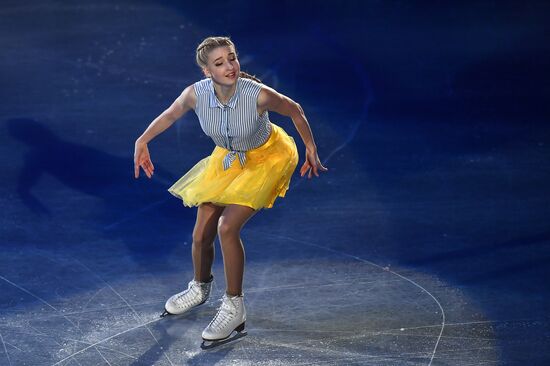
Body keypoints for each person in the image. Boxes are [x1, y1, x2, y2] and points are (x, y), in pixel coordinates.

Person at [134, 36, 327, 344]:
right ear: (206, 72)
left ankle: (235, 307)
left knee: (227, 227)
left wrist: (310, 148)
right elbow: (170, 114)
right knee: (200, 234)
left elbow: (295, 110)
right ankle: (199, 287)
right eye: (219, 63)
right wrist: (142, 141)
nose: (229, 66)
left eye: (232, 58)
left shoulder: (258, 95)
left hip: (267, 159)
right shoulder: (195, 95)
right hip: (228, 159)